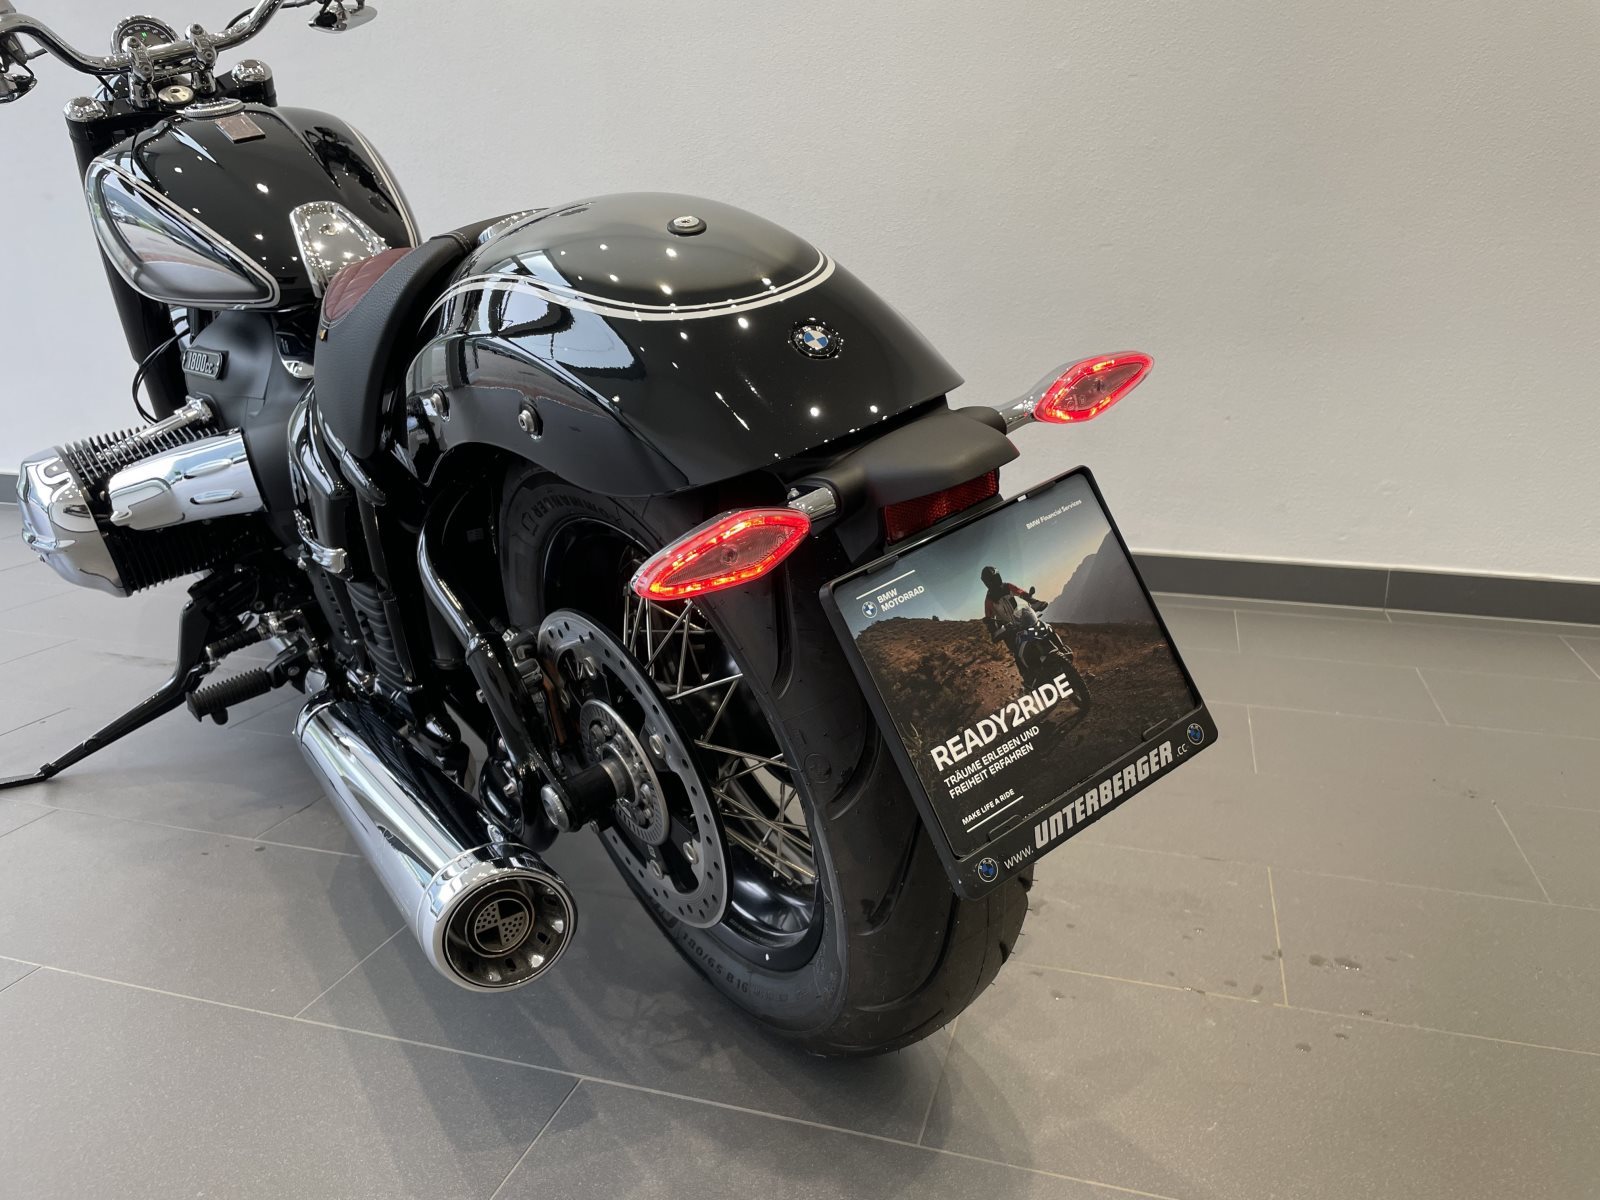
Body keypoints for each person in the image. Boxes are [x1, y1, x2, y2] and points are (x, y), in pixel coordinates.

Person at [981, 565, 1048, 655]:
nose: (996, 580)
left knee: (1041, 634)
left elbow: (1021, 593)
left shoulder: (1007, 587)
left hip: (1021, 622)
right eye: (993, 579)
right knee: (1018, 652)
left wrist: (1034, 602)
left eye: (996, 577)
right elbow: (990, 618)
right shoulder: (989, 600)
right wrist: (992, 628)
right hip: (1009, 630)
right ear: (988, 582)